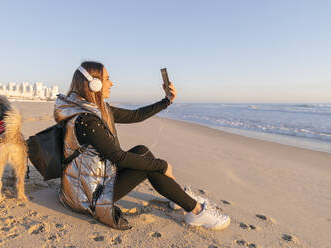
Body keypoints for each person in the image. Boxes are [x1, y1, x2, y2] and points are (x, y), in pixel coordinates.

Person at [54, 61, 230, 230]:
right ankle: (197, 211)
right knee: (149, 167)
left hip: (94, 181)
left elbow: (135, 115)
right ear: (94, 84)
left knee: (142, 151)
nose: (111, 83)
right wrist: (163, 165)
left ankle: (179, 197)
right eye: (107, 79)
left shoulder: (96, 109)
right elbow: (119, 158)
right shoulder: (87, 120)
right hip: (88, 196)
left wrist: (166, 101)